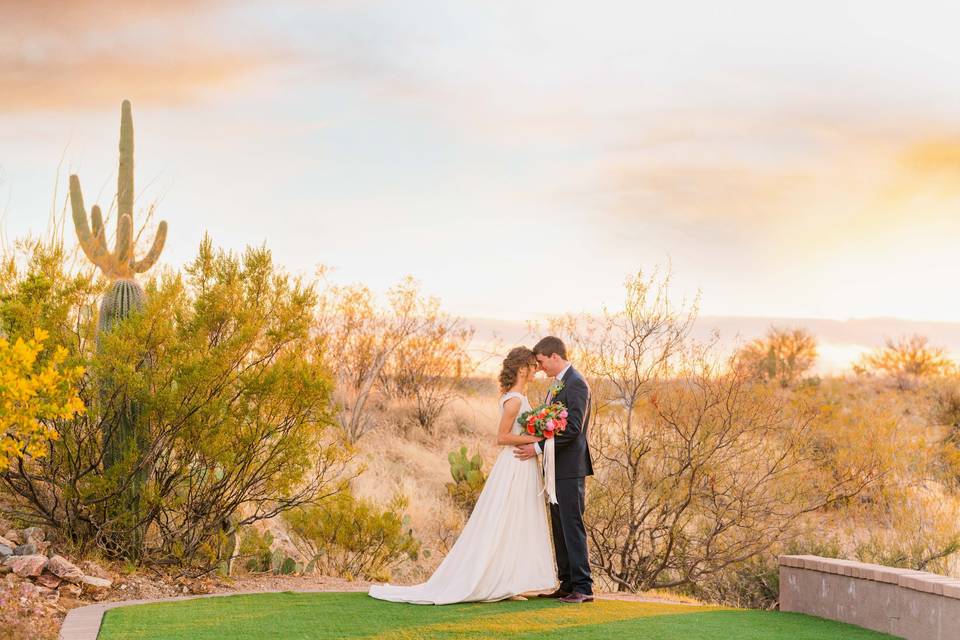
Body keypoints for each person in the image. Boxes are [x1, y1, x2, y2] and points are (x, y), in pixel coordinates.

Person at [368, 346, 557, 604]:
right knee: (507, 519)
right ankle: (501, 582)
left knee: (518, 519)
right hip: (514, 464)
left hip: (524, 464)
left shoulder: (520, 397)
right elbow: (502, 437)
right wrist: (537, 437)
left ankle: (512, 580)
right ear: (522, 368)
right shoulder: (514, 399)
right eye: (533, 366)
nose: (536, 370)